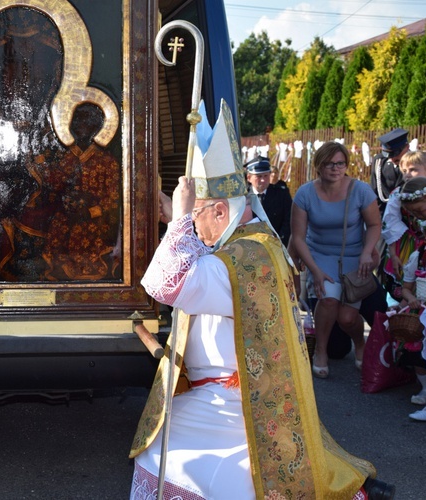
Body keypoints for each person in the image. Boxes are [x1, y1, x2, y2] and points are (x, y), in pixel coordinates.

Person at [129, 100, 391, 499]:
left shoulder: (237, 261)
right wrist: (179, 218)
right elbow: (201, 261)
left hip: (230, 403)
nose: (195, 228)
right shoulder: (253, 246)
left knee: (162, 453)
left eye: (198, 216)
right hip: (241, 391)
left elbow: (165, 283)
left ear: (220, 210)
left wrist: (180, 219)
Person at [291, 141, 380, 379]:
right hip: (319, 254)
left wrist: (366, 251)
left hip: (354, 256)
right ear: (319, 166)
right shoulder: (305, 193)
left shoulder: (361, 190)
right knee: (328, 300)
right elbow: (298, 238)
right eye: (329, 163)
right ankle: (321, 351)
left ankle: (359, 343)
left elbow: (374, 225)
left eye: (340, 163)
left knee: (347, 317)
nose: (335, 168)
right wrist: (313, 270)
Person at [394, 177, 426, 421]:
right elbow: (408, 284)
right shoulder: (421, 253)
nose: (419, 217)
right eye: (414, 214)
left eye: (421, 211)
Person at [379, 151, 426, 302]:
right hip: (409, 245)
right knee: (408, 282)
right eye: (404, 171)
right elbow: (390, 223)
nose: (407, 174)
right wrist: (393, 255)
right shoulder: (399, 194)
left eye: (413, 169)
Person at [245, 156, 292, 246]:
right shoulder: (243, 197)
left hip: (276, 245)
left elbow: (288, 221)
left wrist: (278, 242)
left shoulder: (281, 194)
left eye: (266, 176)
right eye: (259, 176)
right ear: (249, 177)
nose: (263, 180)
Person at [371, 128, 409, 215]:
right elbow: (375, 192)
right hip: (386, 214)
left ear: (407, 147)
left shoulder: (419, 162)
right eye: (388, 154)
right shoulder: (380, 161)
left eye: (395, 153)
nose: (391, 158)